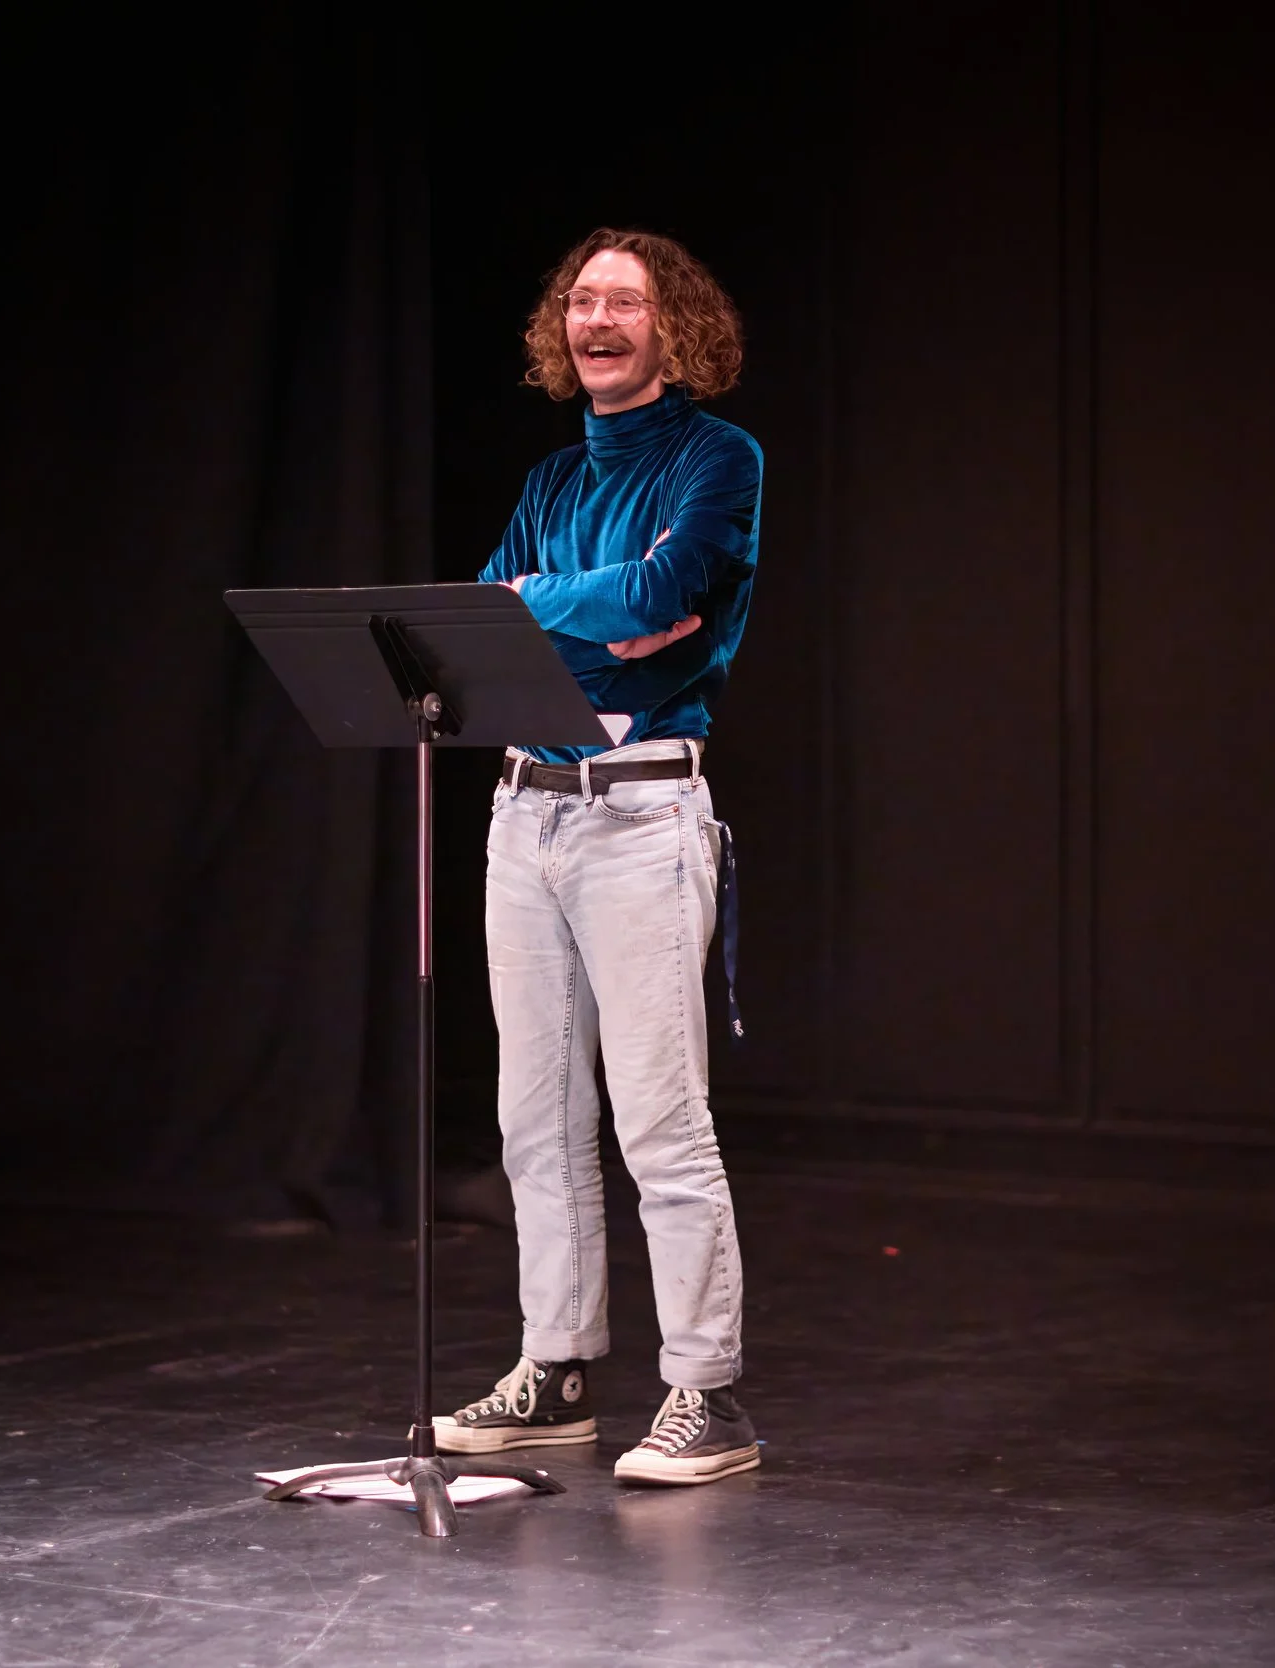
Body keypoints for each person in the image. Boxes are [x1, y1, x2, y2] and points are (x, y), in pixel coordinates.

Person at [435, 229, 762, 1486]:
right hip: (525, 812)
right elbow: (480, 624)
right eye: (582, 301)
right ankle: (556, 1368)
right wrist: (576, 608)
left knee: (660, 1122)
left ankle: (707, 1395)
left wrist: (553, 602)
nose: (598, 320)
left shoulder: (718, 458)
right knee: (535, 1120)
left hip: (639, 816)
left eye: (625, 301)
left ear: (673, 326)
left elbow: (662, 597)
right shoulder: (551, 477)